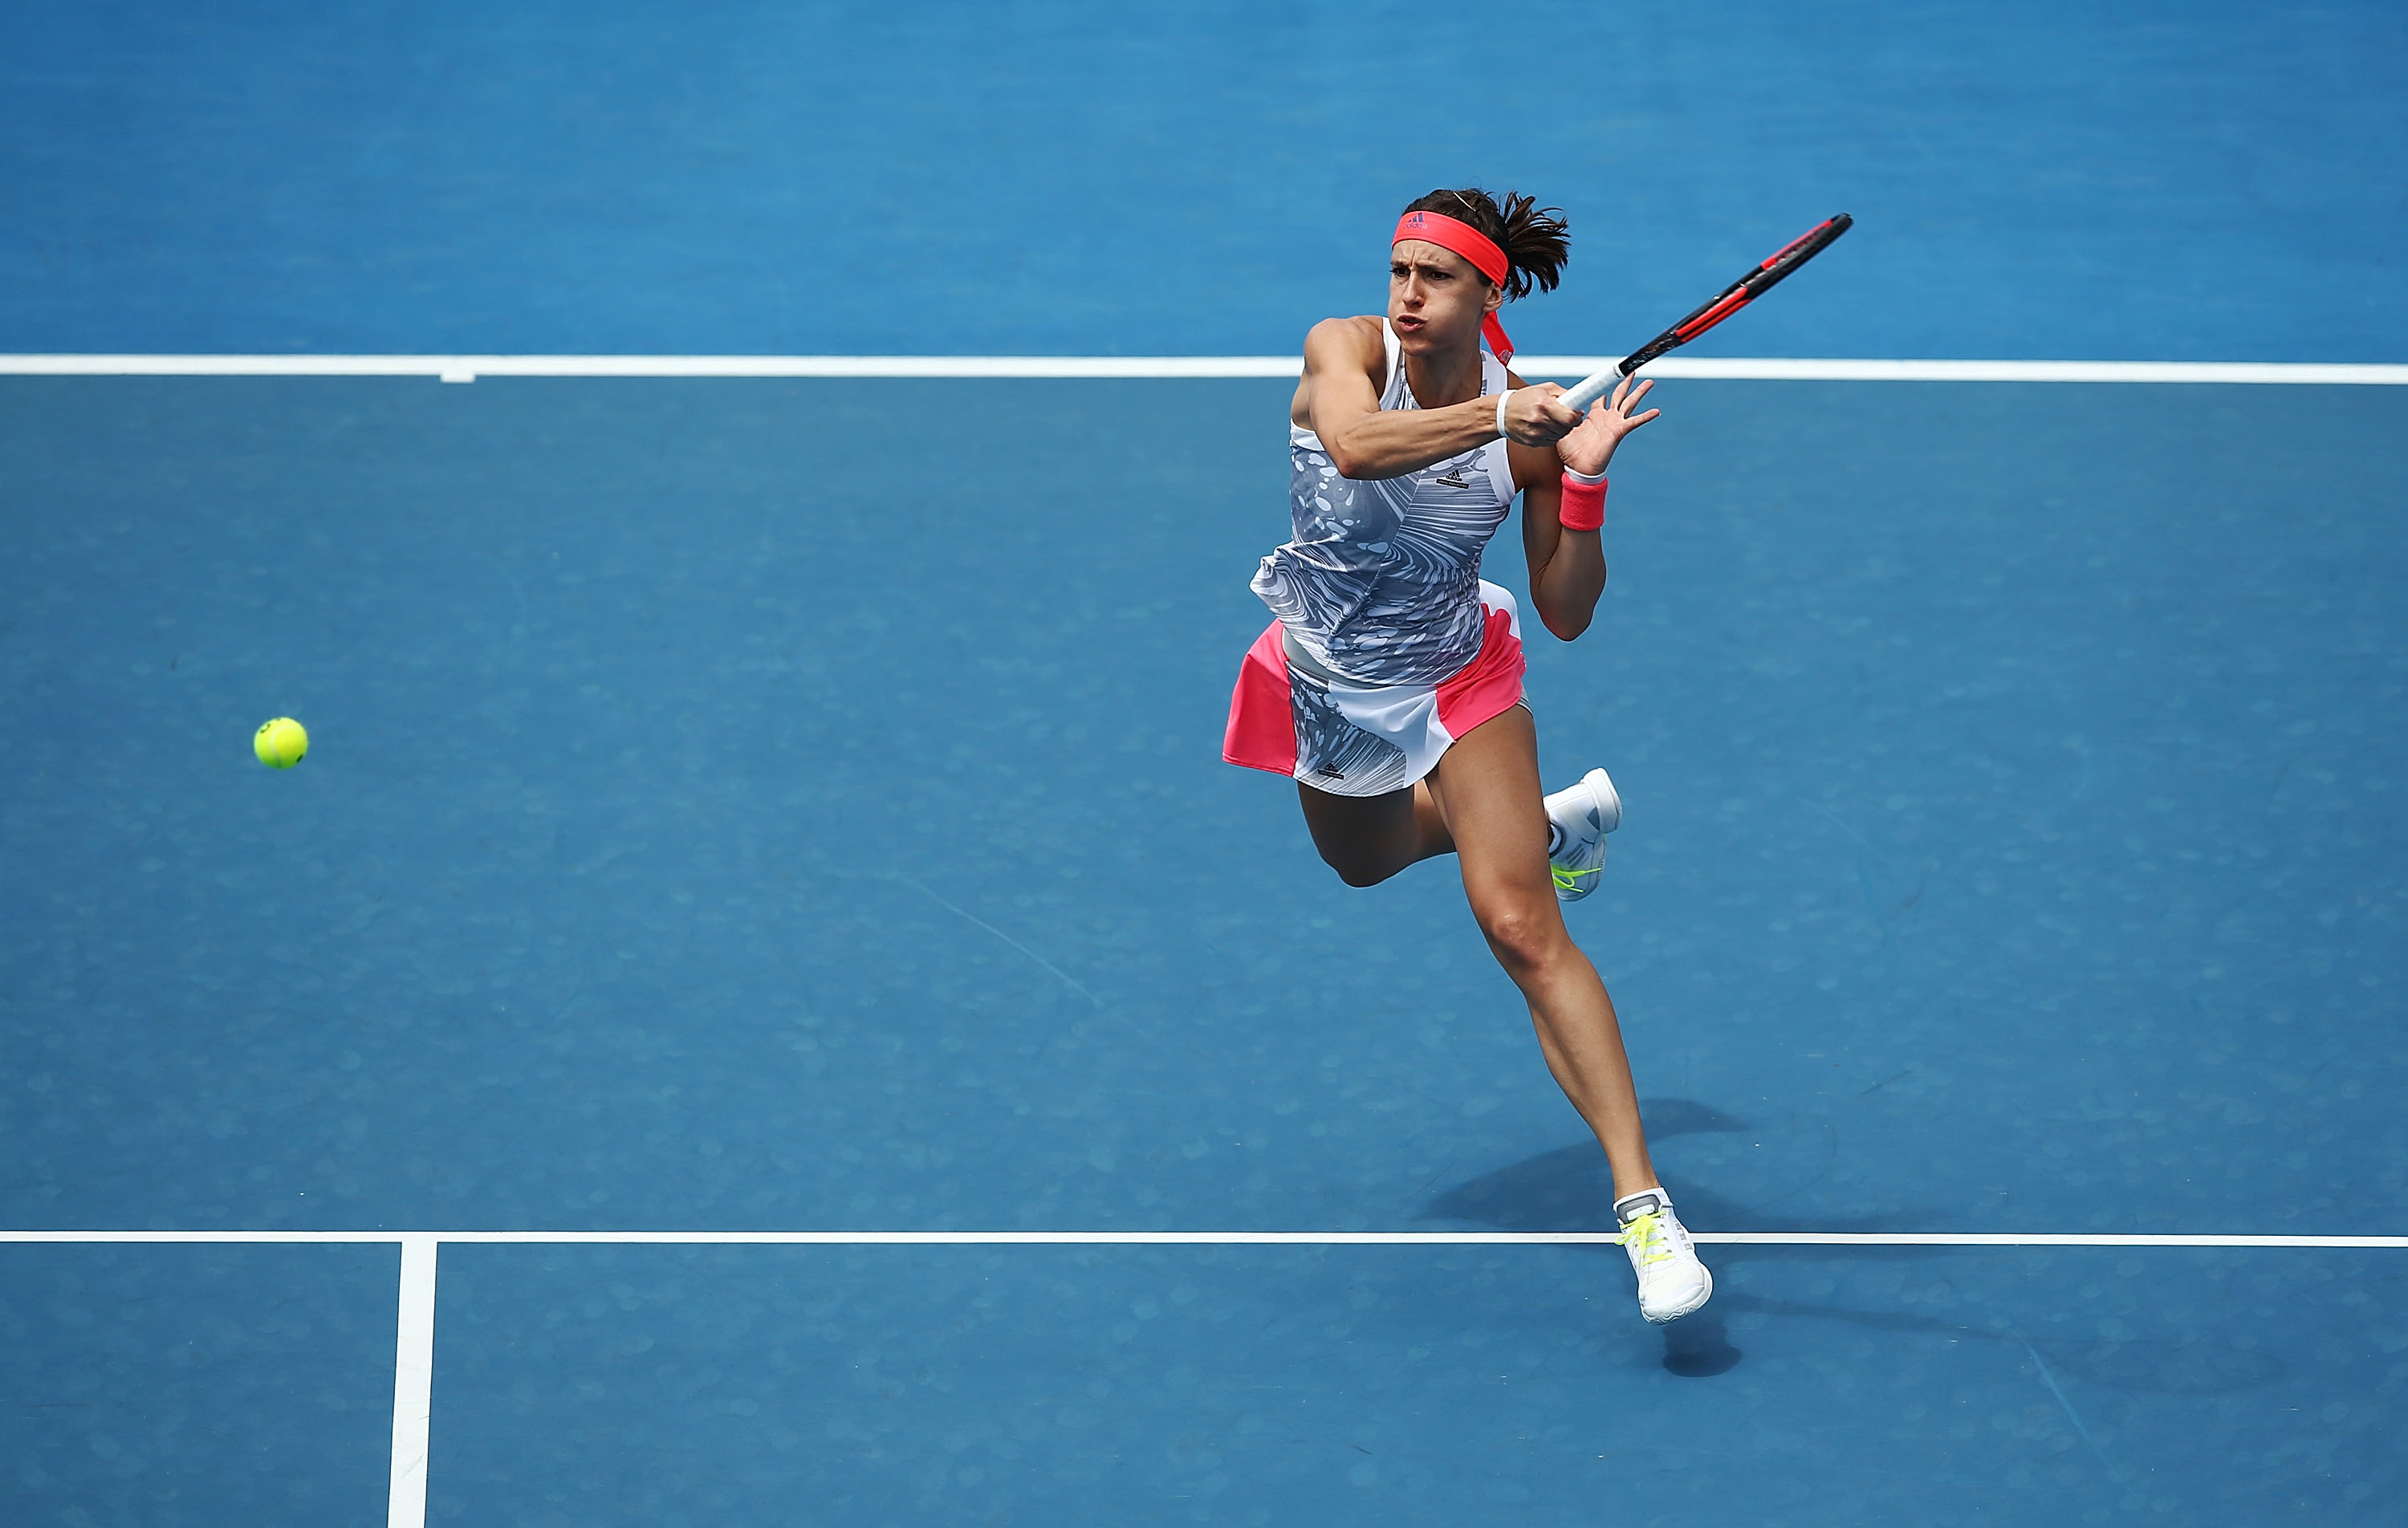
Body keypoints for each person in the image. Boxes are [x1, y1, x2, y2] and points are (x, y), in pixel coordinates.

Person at [1222, 188, 1711, 1323]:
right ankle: (1542, 826)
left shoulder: (1529, 429)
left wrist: (1580, 478)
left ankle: (1645, 1209)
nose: (1403, 294)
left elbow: (1567, 612)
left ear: (1487, 295)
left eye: (1433, 277)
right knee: (1363, 861)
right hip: (1333, 681)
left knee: (1521, 927)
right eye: (1397, 270)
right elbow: (1350, 445)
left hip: (1460, 674)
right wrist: (1502, 423)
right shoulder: (1343, 352)